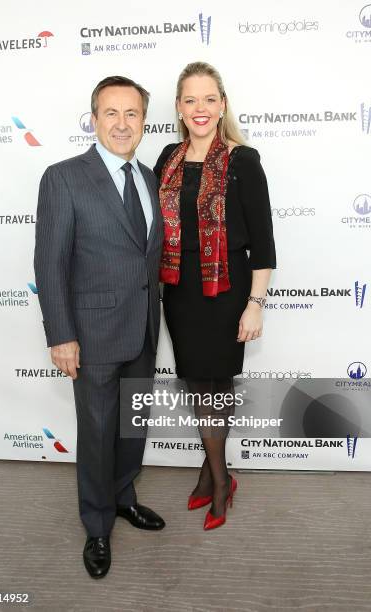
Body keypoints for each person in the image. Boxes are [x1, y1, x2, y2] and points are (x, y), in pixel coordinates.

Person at [34, 75, 165, 579]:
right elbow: (50, 263)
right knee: (95, 433)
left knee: (132, 427)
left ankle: (124, 497)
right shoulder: (63, 177)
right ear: (93, 119)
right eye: (111, 113)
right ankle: (96, 525)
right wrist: (60, 335)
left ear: (143, 122)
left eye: (132, 114)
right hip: (90, 334)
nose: (122, 124)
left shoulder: (149, 177)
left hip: (143, 330)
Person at [154, 62, 276, 530]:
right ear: (179, 109)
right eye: (190, 100)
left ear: (222, 104)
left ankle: (221, 482)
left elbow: (263, 243)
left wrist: (255, 303)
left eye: (209, 99)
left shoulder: (243, 161)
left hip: (227, 291)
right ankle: (211, 470)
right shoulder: (168, 156)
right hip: (180, 292)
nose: (200, 109)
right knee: (196, 382)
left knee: (215, 386)